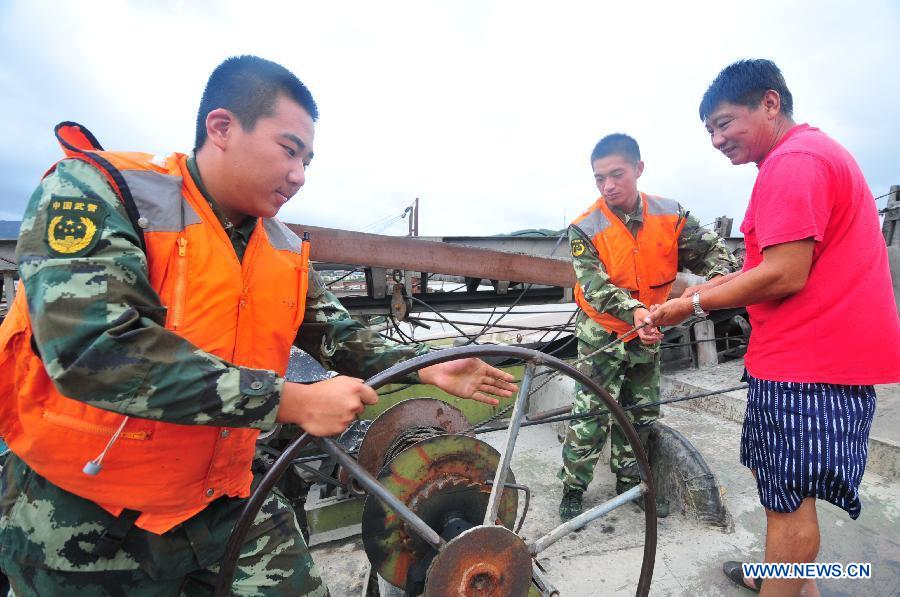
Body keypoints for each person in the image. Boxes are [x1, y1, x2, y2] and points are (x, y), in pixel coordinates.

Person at [0, 55, 517, 596]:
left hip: (224, 500)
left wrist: (426, 368)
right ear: (221, 128)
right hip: (85, 518)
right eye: (288, 149)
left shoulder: (281, 247)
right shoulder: (102, 190)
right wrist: (289, 401)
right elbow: (93, 350)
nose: (299, 174)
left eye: (308, 160)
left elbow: (339, 335)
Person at [648, 59, 900, 596]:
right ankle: (787, 579)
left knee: (788, 505)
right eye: (708, 130)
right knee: (785, 494)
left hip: (809, 366)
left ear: (769, 102)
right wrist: (703, 291)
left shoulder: (796, 161)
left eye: (723, 123)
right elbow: (771, 266)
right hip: (805, 359)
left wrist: (690, 305)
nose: (716, 139)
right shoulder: (801, 158)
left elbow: (785, 274)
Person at [558, 133, 738, 521]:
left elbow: (711, 252)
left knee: (640, 413)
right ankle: (572, 488)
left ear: (639, 169)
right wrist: (637, 313)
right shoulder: (584, 228)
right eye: (599, 178)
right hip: (603, 334)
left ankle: (630, 484)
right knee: (590, 414)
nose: (607, 186)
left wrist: (715, 284)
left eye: (616, 174)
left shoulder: (670, 215)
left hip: (649, 331)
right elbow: (596, 287)